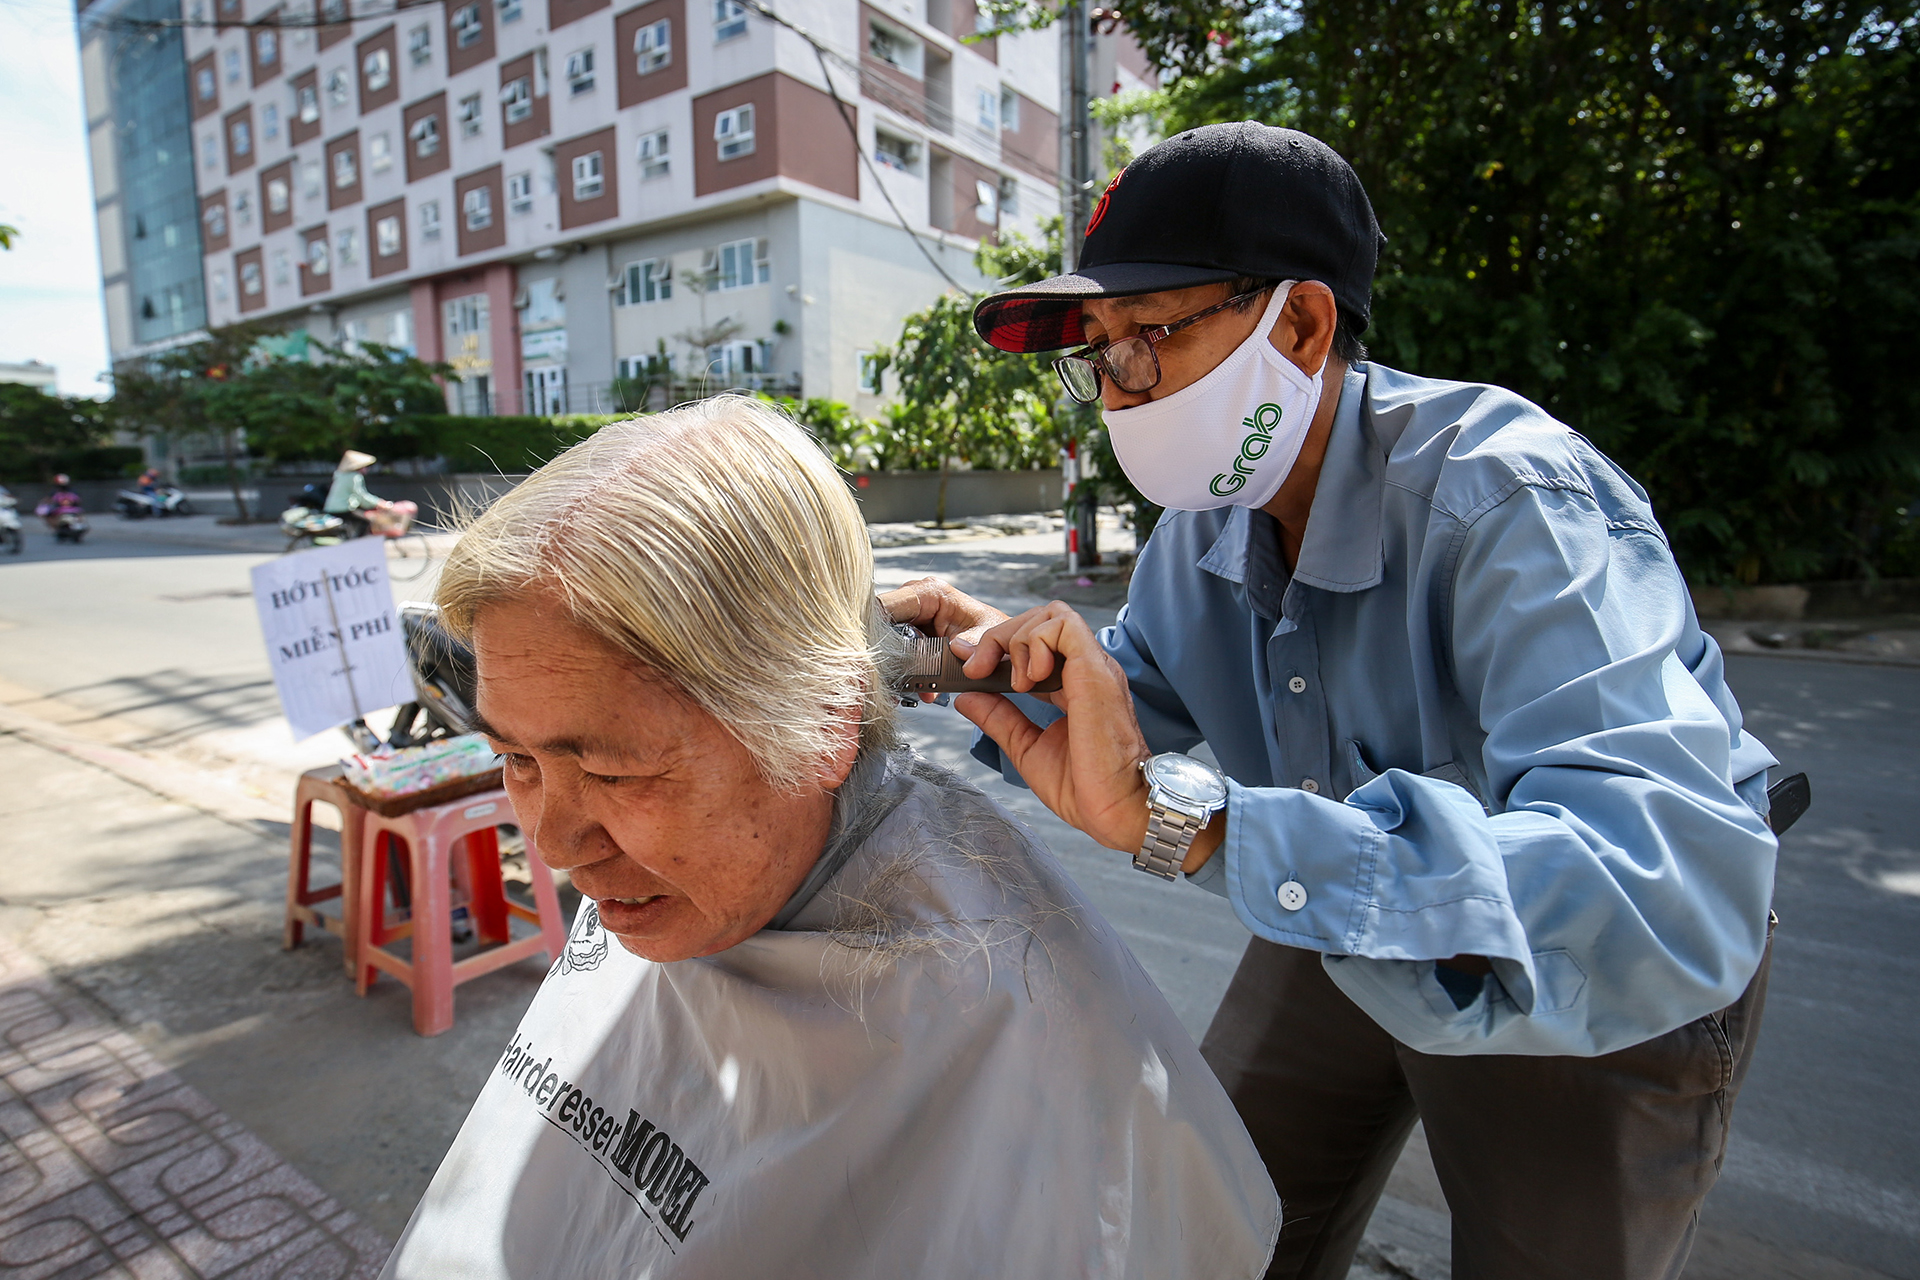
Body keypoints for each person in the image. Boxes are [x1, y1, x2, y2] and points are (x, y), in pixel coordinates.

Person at [883, 122, 1779, 1280]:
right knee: (1212, 1219)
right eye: (1099, 355)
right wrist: (966, 664)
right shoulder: (1200, 530)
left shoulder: (1510, 500)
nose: (1118, 391)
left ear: (1299, 325)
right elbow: (1124, 726)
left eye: (1149, 339)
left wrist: (1199, 821)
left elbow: (1662, 871)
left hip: (1580, 964)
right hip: (1342, 896)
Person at [380, 397, 1280, 1278]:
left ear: (821, 722)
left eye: (616, 772)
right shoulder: (657, 873)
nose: (556, 844)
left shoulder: (1012, 1029)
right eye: (515, 757)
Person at [326, 449, 415, 536]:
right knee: (367, 521)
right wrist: (379, 503)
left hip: (331, 508)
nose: (367, 469)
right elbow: (362, 496)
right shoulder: (354, 477)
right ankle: (358, 543)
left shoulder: (341, 475)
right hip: (342, 509)